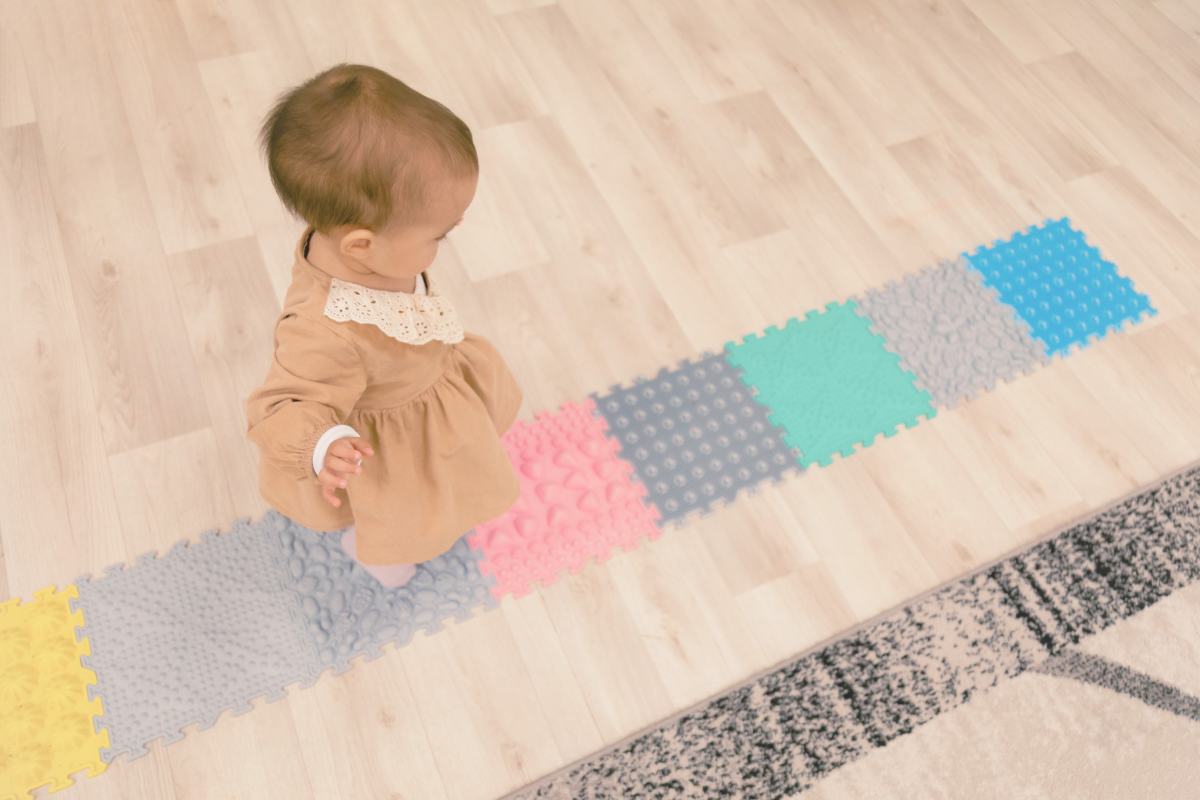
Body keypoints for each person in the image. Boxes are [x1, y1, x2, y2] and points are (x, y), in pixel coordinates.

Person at [246, 64, 522, 589]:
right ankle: (378, 553)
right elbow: (279, 404)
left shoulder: (367, 241)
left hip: (428, 378)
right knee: (403, 510)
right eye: (440, 234)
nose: (454, 232)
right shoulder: (321, 329)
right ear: (362, 245)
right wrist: (322, 443)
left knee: (451, 474)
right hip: (387, 439)